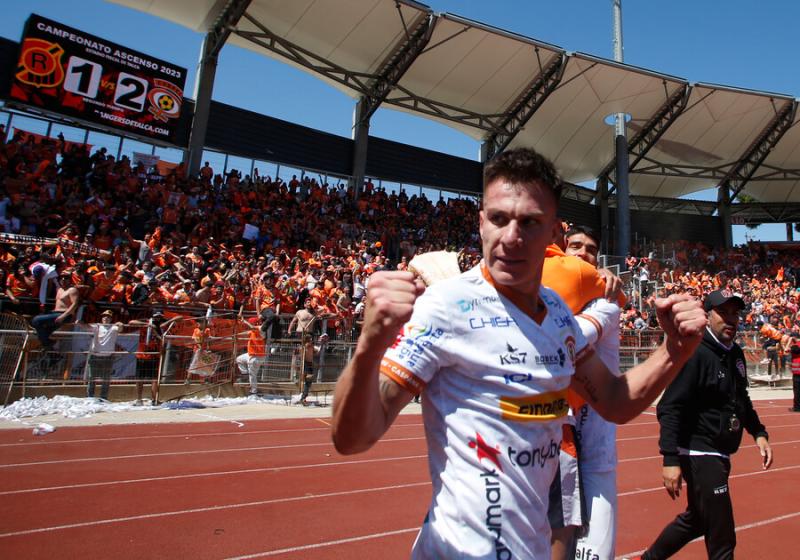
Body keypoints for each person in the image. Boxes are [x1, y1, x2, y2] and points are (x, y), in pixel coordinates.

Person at [331, 147, 707, 559]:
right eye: (498, 219)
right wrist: (369, 345)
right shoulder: (446, 306)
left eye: (529, 222)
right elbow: (351, 439)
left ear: (553, 234)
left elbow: (614, 400)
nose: (511, 236)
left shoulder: (558, 314)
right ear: (481, 223)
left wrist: (674, 351)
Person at [639, 289, 773, 560]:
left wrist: (758, 432)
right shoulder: (695, 353)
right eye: (723, 312)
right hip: (698, 451)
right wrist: (670, 459)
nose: (731, 319)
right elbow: (669, 406)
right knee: (722, 533)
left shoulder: (735, 354)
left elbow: (741, 398)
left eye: (735, 313)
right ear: (707, 315)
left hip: (720, 451)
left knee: (697, 519)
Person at [551, 224, 623, 560]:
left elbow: (569, 336)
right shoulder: (550, 294)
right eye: (575, 246)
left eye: (591, 250)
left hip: (595, 453)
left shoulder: (607, 302)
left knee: (593, 554)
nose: (583, 253)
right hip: (555, 439)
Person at [128, 311, 176, 406]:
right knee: (140, 378)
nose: (158, 319)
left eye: (159, 317)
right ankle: (139, 399)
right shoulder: (146, 322)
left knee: (154, 379)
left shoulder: (162, 325)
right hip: (142, 354)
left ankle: (155, 399)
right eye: (156, 317)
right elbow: (131, 322)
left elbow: (179, 318)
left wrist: (169, 321)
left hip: (155, 355)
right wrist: (148, 325)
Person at [30, 271, 81, 348]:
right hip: (55, 313)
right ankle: (48, 346)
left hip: (64, 315)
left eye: (66, 278)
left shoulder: (72, 290)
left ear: (70, 279)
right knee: (44, 330)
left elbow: (74, 304)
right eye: (61, 278)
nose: (63, 279)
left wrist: (63, 316)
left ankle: (48, 343)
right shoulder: (59, 289)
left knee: (36, 320)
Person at [86, 310, 123, 400]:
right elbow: (87, 327)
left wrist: (121, 324)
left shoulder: (113, 327)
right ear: (102, 318)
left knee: (106, 379)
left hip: (108, 357)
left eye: (108, 317)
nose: (106, 318)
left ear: (111, 319)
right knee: (91, 378)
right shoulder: (97, 326)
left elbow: (120, 329)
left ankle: (103, 397)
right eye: (104, 316)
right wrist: (80, 322)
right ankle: (90, 397)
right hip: (95, 355)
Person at [236, 310, 271, 395]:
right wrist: (236, 335)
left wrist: (244, 321)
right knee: (239, 359)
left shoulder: (261, 329)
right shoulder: (254, 330)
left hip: (257, 356)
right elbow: (248, 331)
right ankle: (245, 374)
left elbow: (251, 328)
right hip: (251, 354)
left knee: (253, 375)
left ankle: (253, 391)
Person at [299, 332, 327, 405]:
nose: (311, 340)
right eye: (310, 339)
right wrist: (320, 340)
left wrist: (321, 344)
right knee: (308, 381)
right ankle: (303, 398)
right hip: (305, 365)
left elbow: (317, 352)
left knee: (309, 382)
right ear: (307, 340)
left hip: (310, 365)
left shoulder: (311, 346)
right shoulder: (305, 346)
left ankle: (303, 397)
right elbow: (308, 346)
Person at [791, 343, 800, 412]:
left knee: (797, 392)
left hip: (796, 375)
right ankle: (797, 406)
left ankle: (797, 407)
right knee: (797, 392)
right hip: (796, 374)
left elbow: (793, 349)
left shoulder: (795, 345)